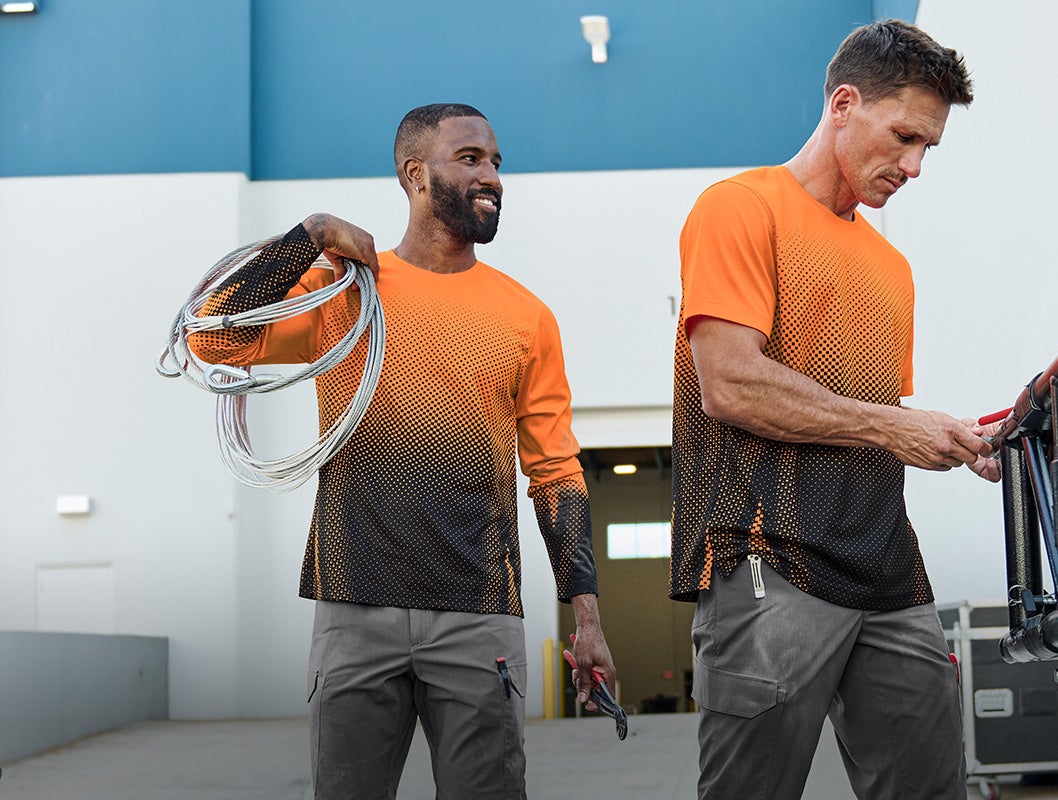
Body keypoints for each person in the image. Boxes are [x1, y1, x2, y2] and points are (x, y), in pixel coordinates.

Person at [188, 103, 615, 799]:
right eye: (470, 158)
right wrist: (309, 235)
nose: (492, 175)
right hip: (354, 607)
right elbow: (211, 337)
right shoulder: (344, 293)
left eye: (496, 162)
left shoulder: (526, 317)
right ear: (416, 175)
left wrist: (587, 618)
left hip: (478, 613)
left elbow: (555, 474)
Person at [671, 20, 1000, 800]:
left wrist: (953, 439)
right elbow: (732, 386)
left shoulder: (892, 268)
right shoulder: (739, 208)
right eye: (904, 137)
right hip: (768, 557)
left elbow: (865, 414)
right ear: (844, 104)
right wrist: (894, 426)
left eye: (929, 148)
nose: (914, 166)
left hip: (888, 569)